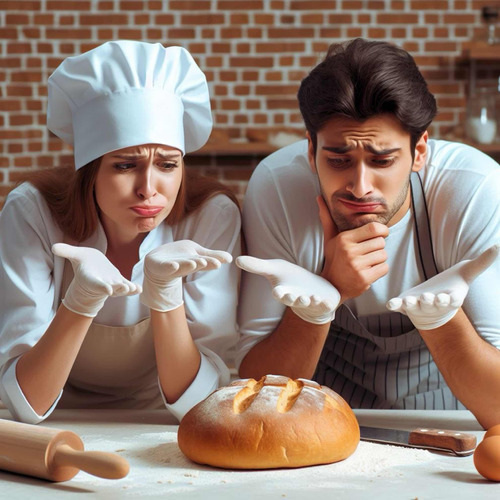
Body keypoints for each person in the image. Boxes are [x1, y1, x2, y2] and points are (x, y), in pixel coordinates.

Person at [235, 38, 500, 429]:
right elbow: (252, 394)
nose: (360, 186)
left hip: (450, 416)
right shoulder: (278, 186)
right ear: (310, 151)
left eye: (382, 160)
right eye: (339, 160)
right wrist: (323, 296)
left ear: (420, 151)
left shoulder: (473, 188)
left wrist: (440, 317)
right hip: (322, 420)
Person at [0, 41, 241, 424]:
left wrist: (165, 294)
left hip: (160, 421)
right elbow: (24, 401)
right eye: (126, 166)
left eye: (167, 164)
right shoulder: (32, 211)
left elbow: (203, 401)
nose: (149, 188)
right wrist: (80, 301)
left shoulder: (210, 216)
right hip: (54, 420)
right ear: (91, 168)